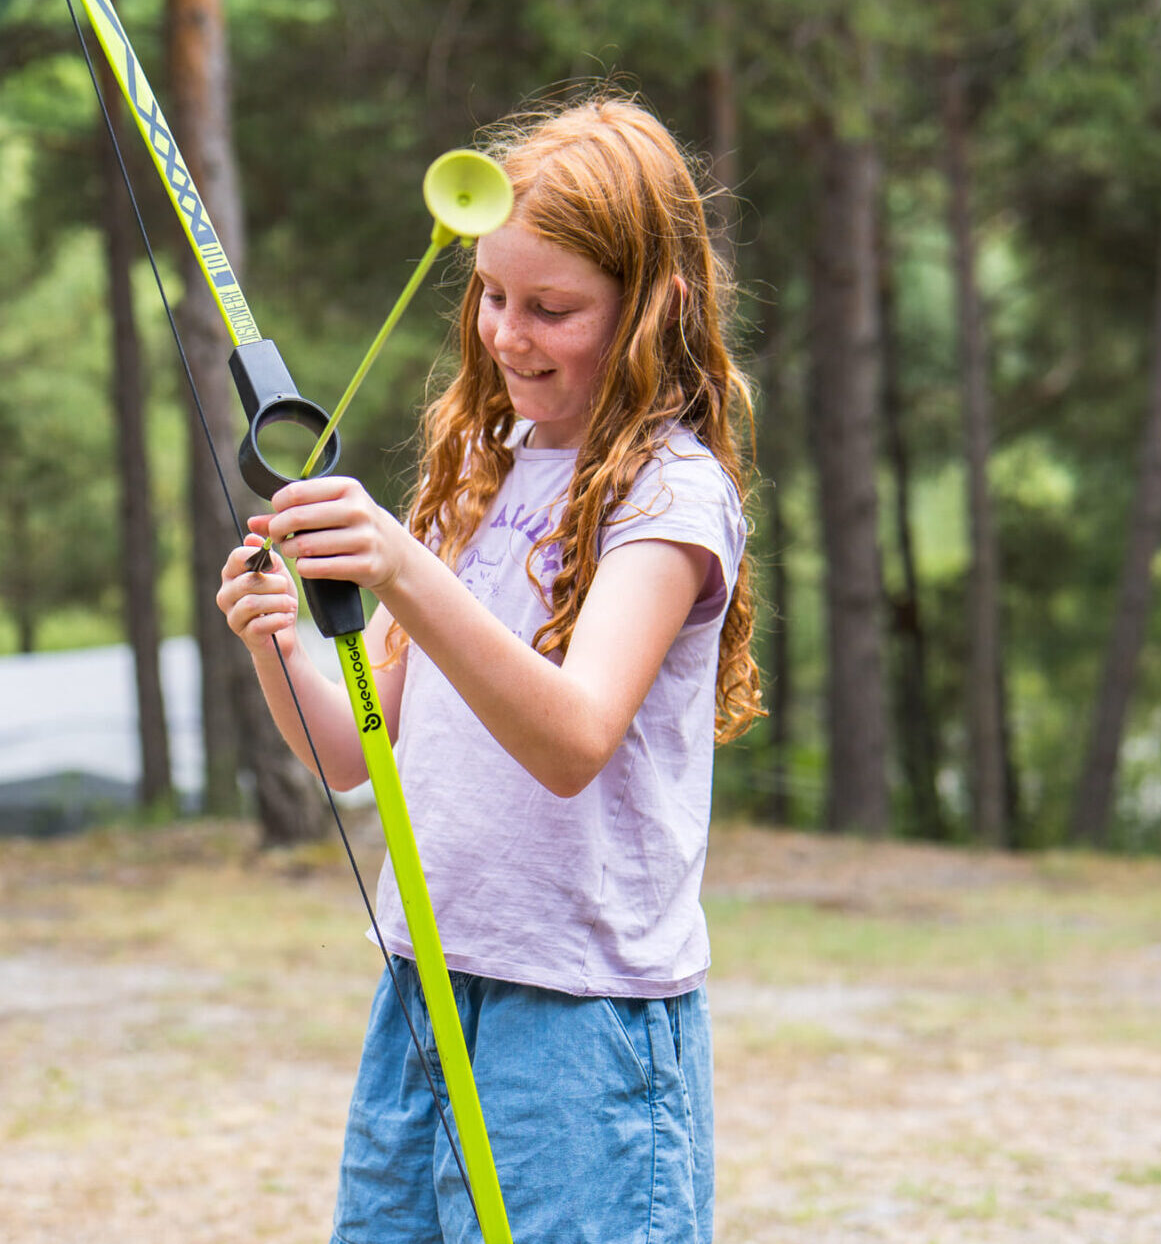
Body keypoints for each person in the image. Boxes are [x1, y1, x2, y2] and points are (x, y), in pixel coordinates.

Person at [217, 92, 762, 1244]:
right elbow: (351, 748)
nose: (508, 334)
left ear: (653, 305)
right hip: (427, 991)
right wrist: (278, 634)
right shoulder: (474, 467)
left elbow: (572, 739)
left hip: (582, 1028)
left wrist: (407, 571)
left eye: (552, 308)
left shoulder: (672, 498)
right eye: (493, 294)